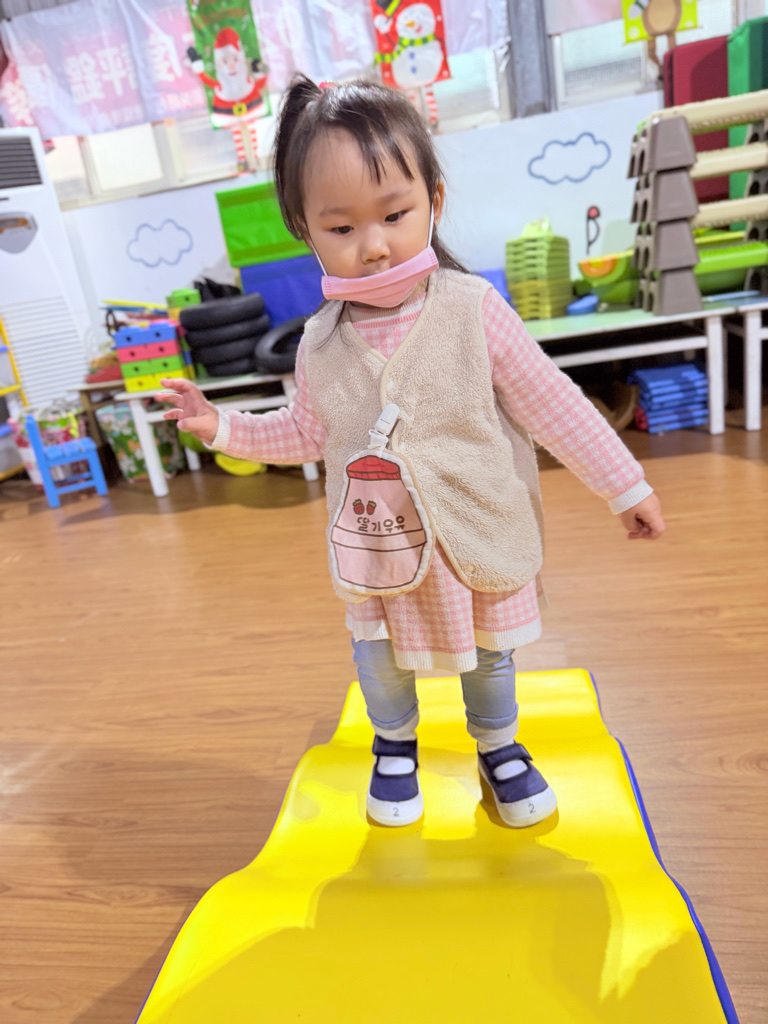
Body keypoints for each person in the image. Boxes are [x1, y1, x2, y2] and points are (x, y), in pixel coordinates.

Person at [158, 74, 665, 831]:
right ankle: (394, 747)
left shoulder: (473, 310)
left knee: (490, 651)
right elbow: (306, 433)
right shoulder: (319, 343)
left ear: (433, 199)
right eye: (341, 228)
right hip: (378, 540)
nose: (373, 246)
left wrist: (626, 487)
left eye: (394, 215)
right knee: (379, 654)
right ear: (305, 229)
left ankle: (499, 747)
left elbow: (554, 403)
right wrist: (220, 427)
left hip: (473, 530)